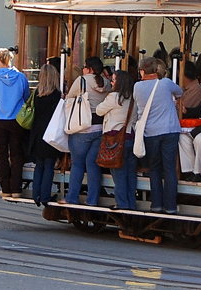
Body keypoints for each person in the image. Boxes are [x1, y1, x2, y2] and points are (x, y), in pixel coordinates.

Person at [133, 56, 184, 213]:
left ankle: (156, 204)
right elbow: (180, 92)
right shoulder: (165, 83)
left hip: (151, 132)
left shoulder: (137, 87)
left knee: (154, 169)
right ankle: (170, 207)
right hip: (169, 130)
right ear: (157, 70)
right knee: (169, 169)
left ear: (142, 71)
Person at [64, 56, 110, 206]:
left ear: (89, 69)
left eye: (84, 67)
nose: (83, 69)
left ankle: (72, 197)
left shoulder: (82, 80)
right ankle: (92, 200)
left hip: (82, 127)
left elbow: (69, 98)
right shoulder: (107, 82)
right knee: (93, 164)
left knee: (77, 164)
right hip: (100, 128)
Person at [0, 47, 30, 198]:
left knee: (2, 155)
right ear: (10, 60)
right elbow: (26, 96)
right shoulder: (21, 77)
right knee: (17, 154)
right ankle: (16, 188)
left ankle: (5, 188)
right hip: (17, 120)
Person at [96, 70, 137, 210]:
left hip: (114, 140)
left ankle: (122, 204)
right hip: (130, 138)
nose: (111, 82)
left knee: (118, 176)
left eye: (113, 80)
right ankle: (131, 204)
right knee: (131, 175)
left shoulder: (113, 97)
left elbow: (99, 110)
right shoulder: (133, 98)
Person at [26, 63, 63, 207]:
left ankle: (36, 195)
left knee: (39, 165)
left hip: (36, 134)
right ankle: (45, 196)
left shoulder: (36, 94)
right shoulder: (56, 95)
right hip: (50, 133)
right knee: (49, 166)